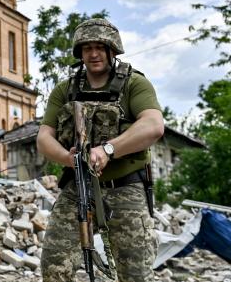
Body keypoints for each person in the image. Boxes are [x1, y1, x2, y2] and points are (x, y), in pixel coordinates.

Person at [37, 18, 164, 282]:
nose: (93, 54)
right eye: (86, 48)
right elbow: (44, 137)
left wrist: (108, 149)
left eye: (99, 47)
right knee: (54, 265)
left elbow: (153, 125)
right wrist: (68, 159)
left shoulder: (134, 84)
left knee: (135, 272)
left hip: (125, 188)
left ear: (112, 50)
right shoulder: (66, 89)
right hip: (78, 187)